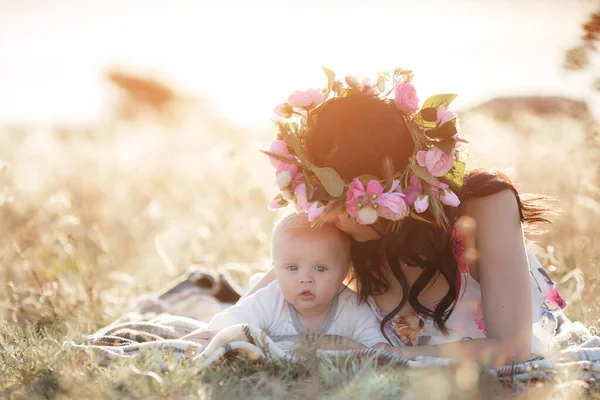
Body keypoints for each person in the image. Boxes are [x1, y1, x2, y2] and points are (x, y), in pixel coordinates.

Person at [249, 67, 567, 366]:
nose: (325, 216)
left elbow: (512, 349)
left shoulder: (486, 206)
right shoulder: (336, 220)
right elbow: (266, 292)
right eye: (319, 197)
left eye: (340, 204)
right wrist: (228, 329)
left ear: (386, 191)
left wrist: (384, 356)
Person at [185, 212, 388, 352]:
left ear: (343, 272)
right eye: (292, 268)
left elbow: (379, 347)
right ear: (275, 268)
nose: (305, 278)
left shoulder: (353, 307)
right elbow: (233, 322)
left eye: (320, 268)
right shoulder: (272, 298)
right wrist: (209, 337)